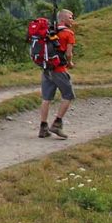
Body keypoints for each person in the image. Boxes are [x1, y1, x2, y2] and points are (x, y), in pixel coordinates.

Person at [38, 9, 76, 139]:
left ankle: (43, 128)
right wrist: (70, 63)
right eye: (71, 17)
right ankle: (57, 124)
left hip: (46, 69)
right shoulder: (68, 33)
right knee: (68, 95)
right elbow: (69, 53)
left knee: (46, 99)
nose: (72, 20)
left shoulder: (48, 31)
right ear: (63, 19)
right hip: (59, 70)